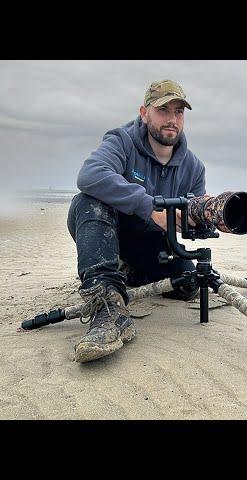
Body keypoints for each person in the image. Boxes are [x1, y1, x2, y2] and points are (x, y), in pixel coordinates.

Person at [67, 79, 206, 364]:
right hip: (111, 233)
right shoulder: (122, 141)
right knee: (87, 201)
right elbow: (90, 175)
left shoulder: (194, 167)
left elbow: (195, 223)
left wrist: (198, 218)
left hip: (151, 242)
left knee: (188, 284)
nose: (172, 120)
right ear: (144, 113)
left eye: (179, 112)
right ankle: (106, 305)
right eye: (163, 110)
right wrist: (149, 206)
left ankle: (128, 272)